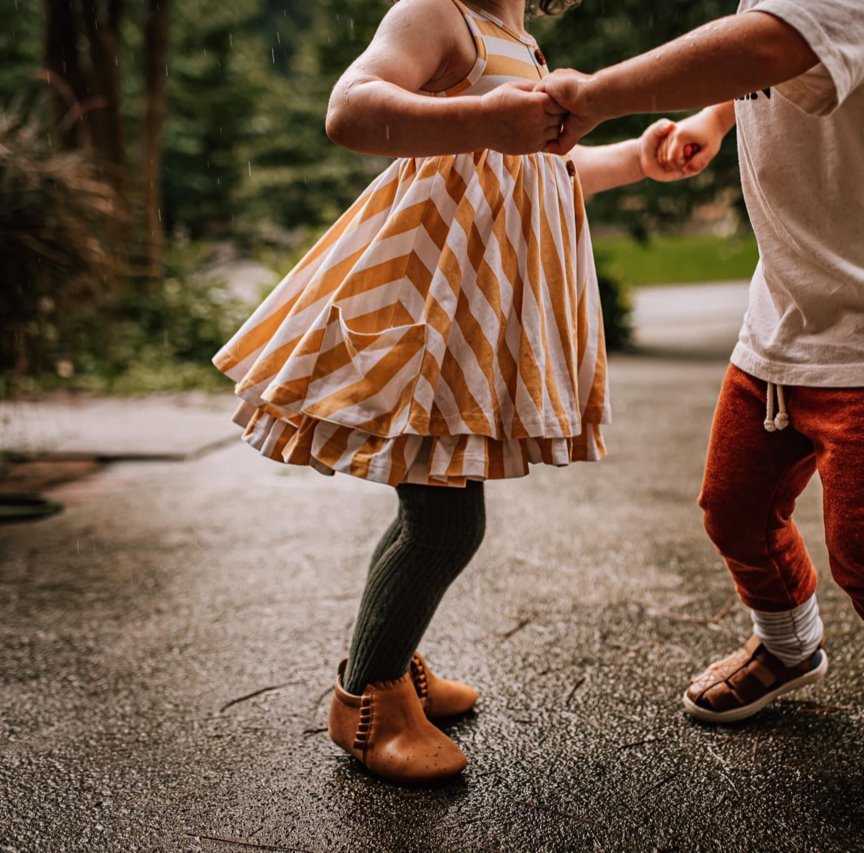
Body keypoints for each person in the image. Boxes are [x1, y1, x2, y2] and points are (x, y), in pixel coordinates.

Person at [212, 0, 690, 785]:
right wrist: (480, 118)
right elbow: (351, 107)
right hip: (424, 318)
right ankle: (368, 697)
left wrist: (640, 156)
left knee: (432, 509)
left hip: (469, 328)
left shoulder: (522, 44)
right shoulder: (437, 15)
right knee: (444, 524)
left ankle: (392, 655)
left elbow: (548, 169)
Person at [538, 0, 864, 839]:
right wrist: (712, 116)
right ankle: (787, 643)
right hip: (784, 321)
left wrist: (594, 93)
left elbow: (773, 44)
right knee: (734, 505)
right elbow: (759, 66)